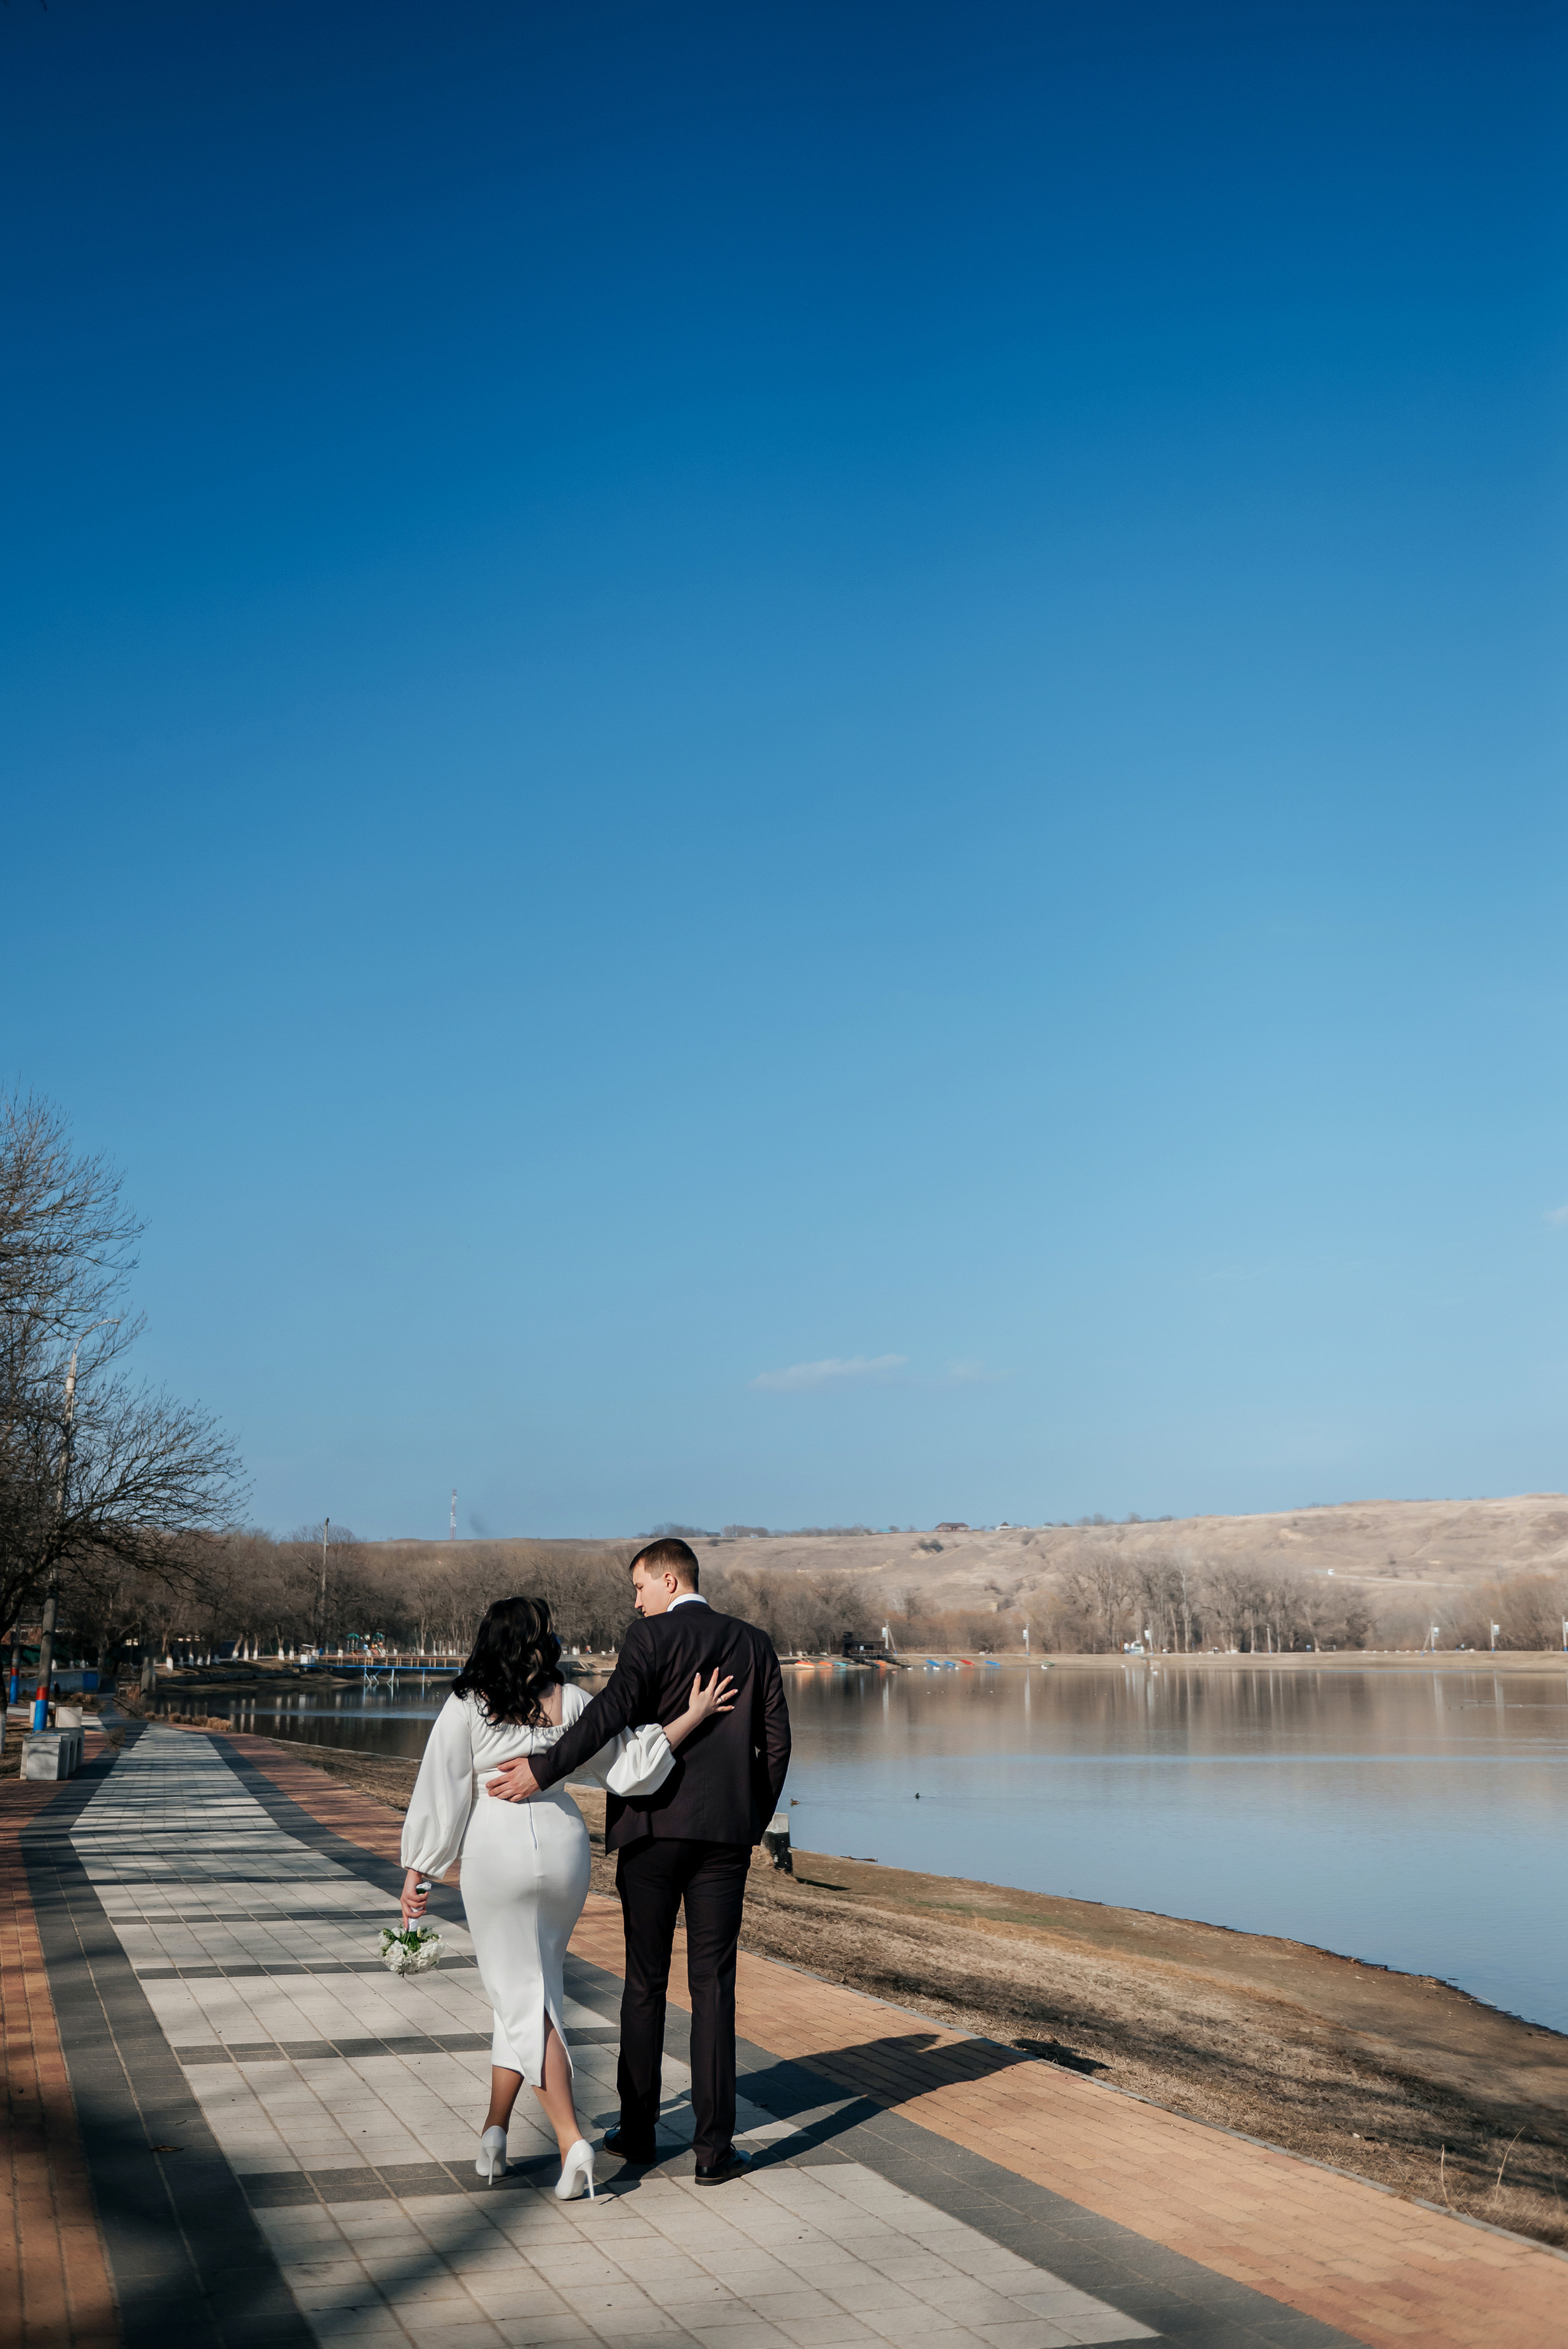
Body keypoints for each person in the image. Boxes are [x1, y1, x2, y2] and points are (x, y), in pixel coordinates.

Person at [399, 1593, 735, 2201]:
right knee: (533, 1987)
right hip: (561, 1848)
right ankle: (494, 2132)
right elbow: (632, 1766)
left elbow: (441, 1791)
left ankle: (568, 2139)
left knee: (521, 1994)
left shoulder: (467, 1704)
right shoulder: (575, 1700)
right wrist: (693, 1715)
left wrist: (419, 1869)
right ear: (539, 1641)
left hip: (497, 1853)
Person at [487, 1537, 791, 2184]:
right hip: (723, 1841)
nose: (636, 1600)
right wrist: (747, 1823)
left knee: (643, 1985)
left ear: (670, 1580)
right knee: (714, 1989)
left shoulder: (649, 1638)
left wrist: (543, 1768)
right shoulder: (754, 1644)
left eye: (639, 1588)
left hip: (652, 1835)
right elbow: (777, 1745)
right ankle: (713, 2152)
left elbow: (607, 1719)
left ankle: (639, 2131)